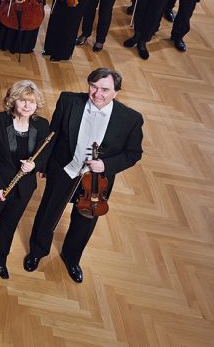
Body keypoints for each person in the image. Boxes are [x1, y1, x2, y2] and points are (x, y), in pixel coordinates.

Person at [24, 68, 144, 284]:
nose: (98, 93)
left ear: (116, 92)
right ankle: (37, 252)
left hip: (97, 180)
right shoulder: (68, 100)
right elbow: (54, 135)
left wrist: (105, 164)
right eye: (94, 86)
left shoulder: (131, 119)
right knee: (48, 213)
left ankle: (71, 258)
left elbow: (133, 154)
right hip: (64, 168)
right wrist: (43, 164)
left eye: (105, 89)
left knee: (85, 221)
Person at [0, 80, 51, 279]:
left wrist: (35, 166)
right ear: (13, 100)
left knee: (9, 224)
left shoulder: (41, 125)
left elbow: (45, 154)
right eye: (22, 100)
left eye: (31, 102)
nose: (27, 105)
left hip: (23, 187)